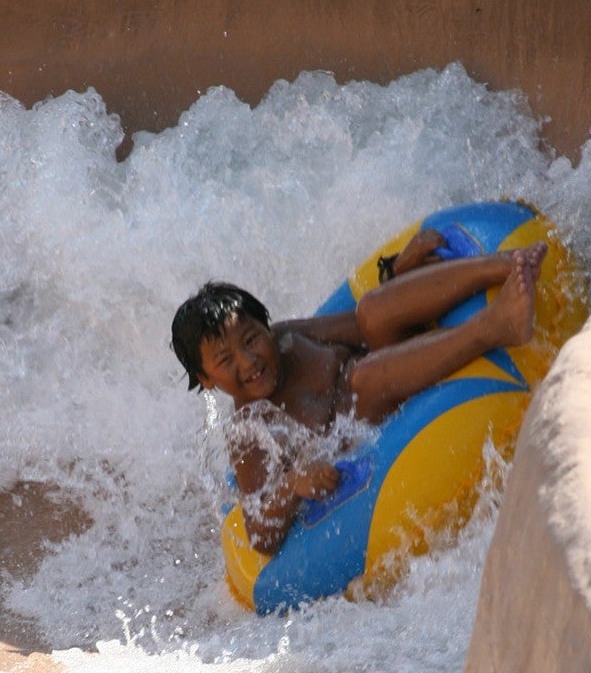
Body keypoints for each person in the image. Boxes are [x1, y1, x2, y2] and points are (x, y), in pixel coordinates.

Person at [171, 230, 546, 554]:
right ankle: (496, 326)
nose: (249, 360)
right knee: (364, 377)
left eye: (252, 339)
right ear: (206, 378)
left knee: (372, 310)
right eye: (226, 359)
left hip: (388, 375)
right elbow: (259, 534)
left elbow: (364, 327)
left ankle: (509, 264)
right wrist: (292, 485)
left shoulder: (288, 339)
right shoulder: (248, 430)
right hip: (370, 433)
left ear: (266, 327)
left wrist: (399, 273)